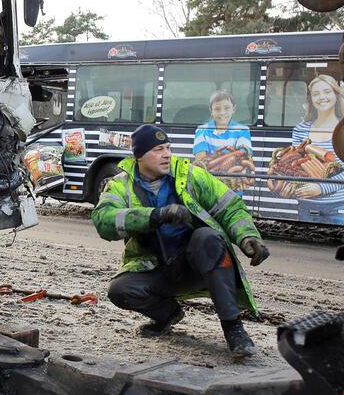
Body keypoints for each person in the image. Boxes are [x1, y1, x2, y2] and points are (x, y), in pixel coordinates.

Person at [91, 124, 270, 357]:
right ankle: (167, 314)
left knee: (208, 237)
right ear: (139, 156)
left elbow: (230, 208)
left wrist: (248, 236)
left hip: (199, 264)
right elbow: (103, 220)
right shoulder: (120, 185)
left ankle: (234, 328)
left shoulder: (190, 175)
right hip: (156, 267)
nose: (167, 154)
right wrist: (155, 216)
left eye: (168, 148)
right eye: (158, 150)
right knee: (120, 290)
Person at [289, 75, 344, 224]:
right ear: (311, 100)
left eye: (327, 92)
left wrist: (321, 188)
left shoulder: (342, 128)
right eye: (316, 94)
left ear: (336, 95)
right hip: (306, 205)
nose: (322, 97)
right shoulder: (300, 130)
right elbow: (294, 167)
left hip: (339, 207)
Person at [193, 91, 253, 193]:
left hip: (233, 190)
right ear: (211, 111)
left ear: (234, 108)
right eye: (217, 109)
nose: (222, 113)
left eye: (227, 108)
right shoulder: (202, 130)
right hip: (208, 189)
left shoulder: (242, 130)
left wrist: (214, 159)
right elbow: (201, 159)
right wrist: (230, 158)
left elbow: (243, 155)